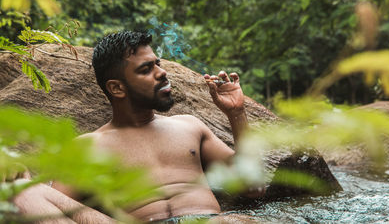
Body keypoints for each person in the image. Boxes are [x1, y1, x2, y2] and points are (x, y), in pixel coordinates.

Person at [13, 30, 262, 223]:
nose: (162, 73)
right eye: (146, 69)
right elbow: (55, 207)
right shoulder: (88, 147)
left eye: (158, 63)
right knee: (25, 194)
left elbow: (253, 188)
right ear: (116, 88)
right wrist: (22, 178)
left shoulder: (189, 126)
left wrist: (237, 114)